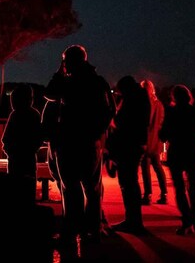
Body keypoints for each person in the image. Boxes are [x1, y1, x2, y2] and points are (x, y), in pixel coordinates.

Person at [44, 44, 115, 250]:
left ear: (67, 61)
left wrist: (59, 72)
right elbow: (110, 110)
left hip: (69, 142)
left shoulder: (68, 82)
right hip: (91, 143)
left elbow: (50, 93)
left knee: (70, 189)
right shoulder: (98, 82)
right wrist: (97, 132)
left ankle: (71, 231)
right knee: (92, 190)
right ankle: (92, 231)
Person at [159, 84, 195, 235]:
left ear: (174, 97)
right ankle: (194, 218)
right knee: (193, 188)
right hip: (192, 152)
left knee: (179, 189)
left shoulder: (171, 112)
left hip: (176, 153)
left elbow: (163, 135)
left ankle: (186, 220)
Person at [105, 75, 150, 235]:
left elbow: (121, 122)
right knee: (131, 183)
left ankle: (133, 221)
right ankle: (133, 220)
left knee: (128, 184)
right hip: (135, 145)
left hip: (128, 146)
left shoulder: (132, 100)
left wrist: (113, 121)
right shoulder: (141, 97)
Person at [2, 83, 43, 204]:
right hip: (28, 158)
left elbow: (5, 138)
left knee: (15, 190)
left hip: (15, 158)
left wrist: (9, 149)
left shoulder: (15, 115)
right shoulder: (34, 115)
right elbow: (38, 138)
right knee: (28, 190)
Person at [140, 79, 168, 205]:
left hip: (145, 140)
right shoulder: (159, 104)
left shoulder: (144, 103)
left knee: (145, 169)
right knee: (158, 167)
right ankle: (164, 193)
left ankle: (148, 194)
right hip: (156, 141)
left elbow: (144, 122)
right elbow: (161, 122)